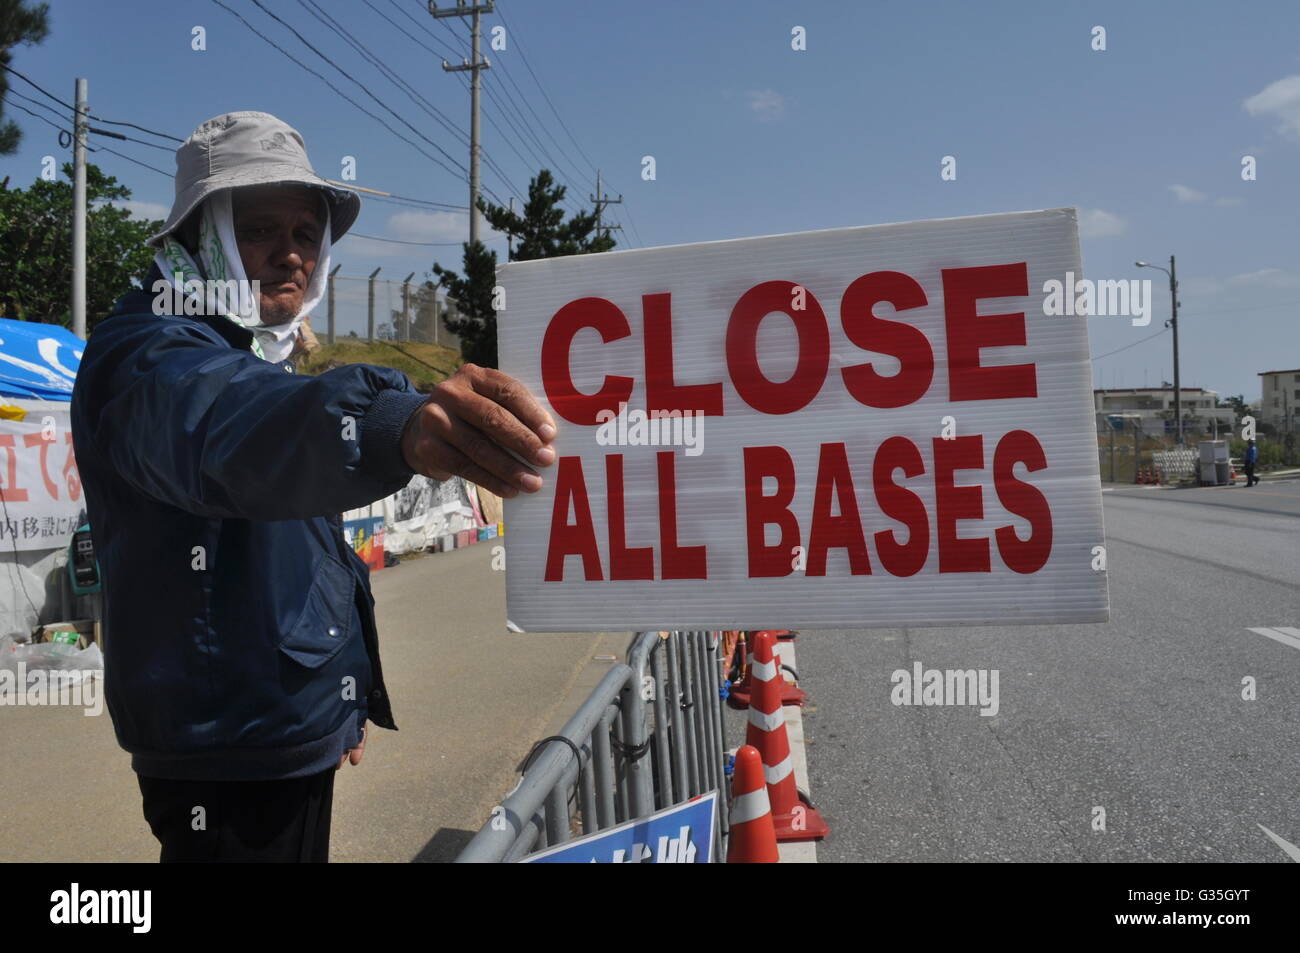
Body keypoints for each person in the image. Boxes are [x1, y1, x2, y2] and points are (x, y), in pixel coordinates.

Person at [69, 112, 556, 862]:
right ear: (201, 236)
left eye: (307, 232)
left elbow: (301, 539)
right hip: (229, 752)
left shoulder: (248, 349)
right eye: (260, 229)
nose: (290, 253)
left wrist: (340, 688)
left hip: (279, 729)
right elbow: (230, 424)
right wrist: (396, 421)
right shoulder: (146, 354)